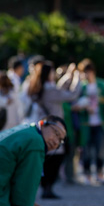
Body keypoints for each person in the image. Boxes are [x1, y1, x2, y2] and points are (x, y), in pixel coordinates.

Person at [27, 61, 80, 198]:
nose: (54, 73)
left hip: (44, 130)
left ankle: (46, 188)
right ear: (47, 74)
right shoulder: (50, 91)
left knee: (48, 160)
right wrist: (77, 77)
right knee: (55, 160)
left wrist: (69, 75)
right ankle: (47, 188)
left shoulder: (41, 88)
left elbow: (59, 89)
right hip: (53, 131)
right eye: (52, 71)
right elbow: (72, 94)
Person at [74, 59, 104, 183]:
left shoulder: (102, 84)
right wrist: (84, 107)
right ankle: (87, 174)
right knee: (86, 150)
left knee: (100, 149)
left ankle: (99, 173)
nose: (85, 75)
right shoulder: (81, 86)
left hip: (100, 122)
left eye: (87, 72)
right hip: (86, 123)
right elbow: (75, 102)